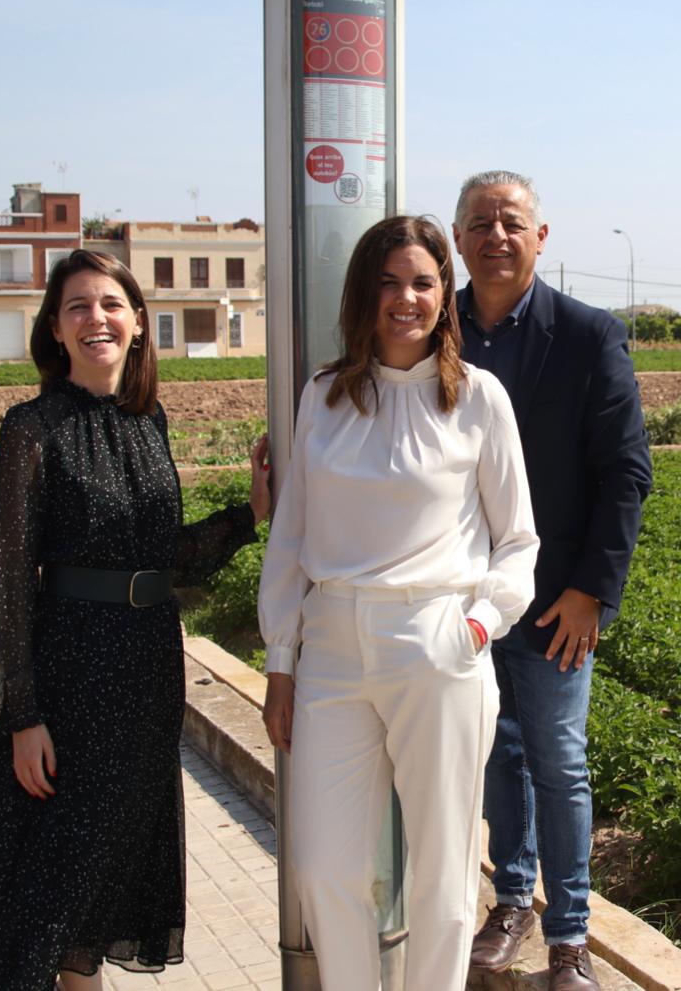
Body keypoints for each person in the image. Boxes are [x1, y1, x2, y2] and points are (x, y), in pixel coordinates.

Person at [0, 250, 270, 991]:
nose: (96, 317)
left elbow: (162, 553)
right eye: (78, 305)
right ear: (56, 328)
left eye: (111, 303)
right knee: (48, 894)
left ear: (138, 323)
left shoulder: (148, 422)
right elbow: (8, 582)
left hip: (146, 674)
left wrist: (249, 515)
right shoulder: (33, 429)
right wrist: (21, 715)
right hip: (72, 680)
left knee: (99, 891)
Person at [258, 215, 538, 990]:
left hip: (439, 644)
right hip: (333, 651)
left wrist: (478, 625)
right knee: (325, 868)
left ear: (444, 293)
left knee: (444, 874)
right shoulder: (324, 395)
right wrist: (281, 661)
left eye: (422, 281)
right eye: (388, 281)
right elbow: (291, 537)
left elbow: (519, 541)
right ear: (363, 294)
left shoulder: (479, 399)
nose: (405, 298)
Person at [453, 171, 652, 991]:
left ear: (540, 238)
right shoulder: (431, 329)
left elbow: (625, 472)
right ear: (457, 240)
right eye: (479, 223)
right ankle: (512, 898)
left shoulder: (587, 335)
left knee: (559, 759)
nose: (496, 234)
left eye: (512, 221)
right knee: (496, 751)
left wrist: (593, 591)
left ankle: (569, 936)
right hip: (464, 593)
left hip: (557, 595)